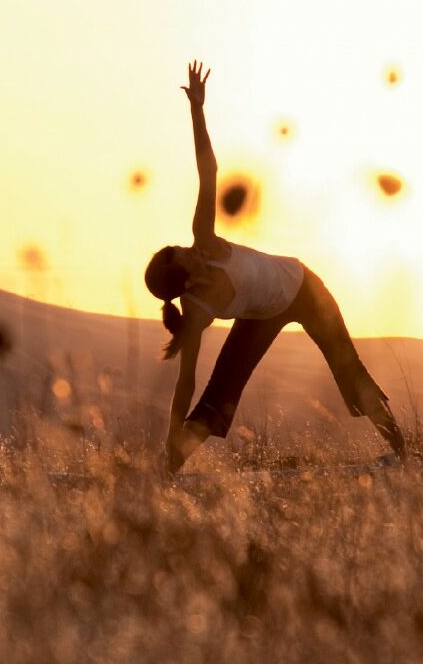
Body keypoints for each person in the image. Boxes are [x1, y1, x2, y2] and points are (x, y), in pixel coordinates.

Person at [145, 61, 406, 474]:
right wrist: (172, 433)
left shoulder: (206, 240)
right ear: (186, 279)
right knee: (221, 388)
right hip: (260, 314)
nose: (189, 247)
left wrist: (197, 110)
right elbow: (185, 383)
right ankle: (172, 464)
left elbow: (208, 170)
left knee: (346, 365)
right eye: (183, 254)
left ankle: (403, 448)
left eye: (180, 246)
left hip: (304, 289)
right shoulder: (195, 313)